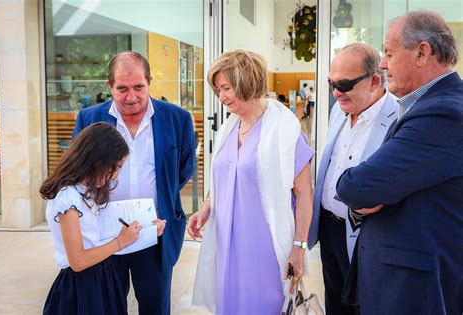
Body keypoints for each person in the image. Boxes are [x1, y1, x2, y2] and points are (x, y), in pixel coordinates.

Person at [336, 11, 463, 314]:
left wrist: (365, 196)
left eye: (390, 53)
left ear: (422, 52)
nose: (382, 63)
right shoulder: (432, 106)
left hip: (412, 289)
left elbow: (357, 187)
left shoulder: (442, 114)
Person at [188, 50, 315, 314]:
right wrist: (206, 207)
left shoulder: (285, 129)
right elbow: (222, 177)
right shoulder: (228, 127)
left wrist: (299, 247)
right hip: (227, 243)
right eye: (217, 89)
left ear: (246, 82)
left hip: (264, 246)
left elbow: (304, 194)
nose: (221, 97)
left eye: (226, 88)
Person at [72, 52, 195, 314]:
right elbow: (79, 171)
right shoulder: (89, 119)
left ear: (149, 82)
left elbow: (183, 169)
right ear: (109, 86)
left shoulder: (178, 119)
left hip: (156, 234)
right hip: (105, 236)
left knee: (155, 307)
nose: (131, 97)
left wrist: (164, 199)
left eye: (139, 87)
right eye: (122, 89)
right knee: (108, 307)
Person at [307, 43, 398, 315]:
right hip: (329, 227)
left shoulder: (400, 117)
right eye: (331, 83)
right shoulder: (339, 109)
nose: (336, 93)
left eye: (344, 84)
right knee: (335, 302)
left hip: (366, 234)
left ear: (373, 81)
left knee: (365, 305)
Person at [40, 122, 166, 314]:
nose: (115, 176)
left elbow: (99, 236)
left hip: (101, 278)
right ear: (95, 159)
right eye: (114, 168)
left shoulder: (86, 191)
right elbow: (78, 261)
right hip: (81, 288)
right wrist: (120, 241)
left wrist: (148, 230)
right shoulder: (67, 198)